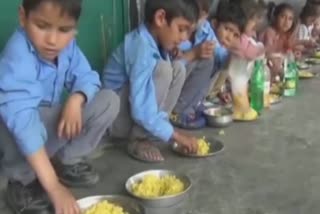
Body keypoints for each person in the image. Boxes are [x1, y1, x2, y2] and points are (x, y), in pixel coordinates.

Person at [0, 0, 120, 213]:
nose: (53, 41)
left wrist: (77, 98)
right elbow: (23, 124)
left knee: (108, 101)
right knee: (14, 119)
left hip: (45, 129)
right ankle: (20, 181)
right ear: (22, 16)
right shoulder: (17, 54)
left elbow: (88, 76)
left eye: (64, 29)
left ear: (74, 28)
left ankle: (66, 162)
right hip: (19, 132)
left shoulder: (69, 48)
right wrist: (54, 189)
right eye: (42, 26)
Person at [103, 0, 200, 163]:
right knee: (163, 69)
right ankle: (139, 140)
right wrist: (175, 135)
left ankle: (153, 132)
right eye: (181, 29)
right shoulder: (140, 46)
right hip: (114, 121)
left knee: (178, 69)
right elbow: (140, 109)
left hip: (130, 114)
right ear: (161, 18)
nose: (184, 38)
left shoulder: (155, 42)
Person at [170, 0, 216, 129]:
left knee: (210, 59)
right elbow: (171, 68)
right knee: (180, 66)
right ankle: (176, 112)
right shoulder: (171, 30)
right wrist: (192, 54)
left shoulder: (204, 29)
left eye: (200, 16)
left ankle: (191, 106)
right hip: (167, 88)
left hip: (182, 78)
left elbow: (222, 54)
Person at [227, 0, 266, 121]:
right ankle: (240, 110)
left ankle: (243, 107)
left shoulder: (248, 36)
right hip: (235, 75)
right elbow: (250, 54)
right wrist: (265, 48)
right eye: (253, 21)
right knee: (239, 88)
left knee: (242, 87)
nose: (255, 25)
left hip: (242, 75)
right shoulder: (239, 38)